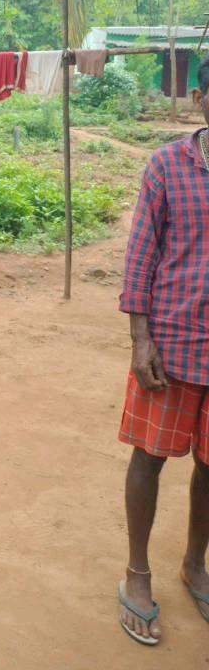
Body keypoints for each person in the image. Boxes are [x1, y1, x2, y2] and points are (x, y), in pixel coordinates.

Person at [117, 54, 209, 645]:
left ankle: (195, 564)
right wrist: (140, 338)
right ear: (201, 100)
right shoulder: (168, 166)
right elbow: (141, 255)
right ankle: (137, 572)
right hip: (173, 345)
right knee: (149, 458)